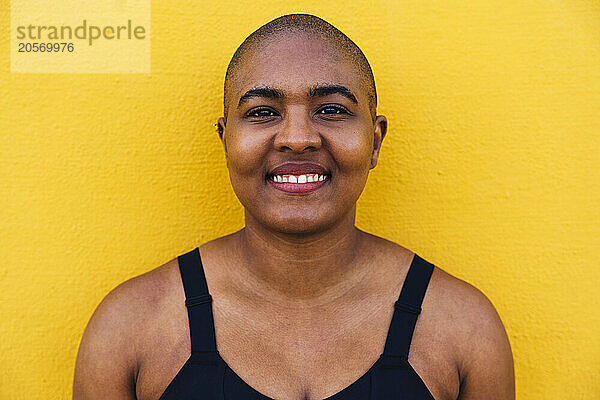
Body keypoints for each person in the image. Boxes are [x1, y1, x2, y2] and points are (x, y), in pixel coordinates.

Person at [73, 13, 515, 400]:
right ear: (226, 139)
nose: (297, 138)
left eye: (332, 110)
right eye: (263, 112)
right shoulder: (129, 330)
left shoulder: (464, 331)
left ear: (375, 140)